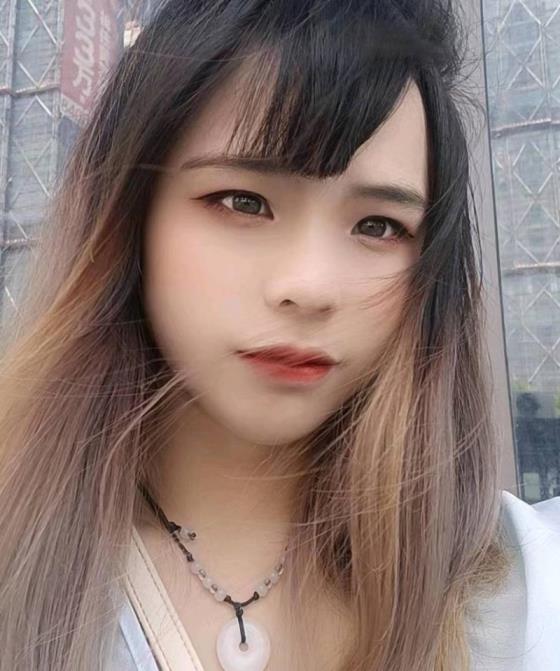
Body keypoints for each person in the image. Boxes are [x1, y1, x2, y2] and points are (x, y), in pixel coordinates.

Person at [0, 0, 558, 670]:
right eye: (244, 201)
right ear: (128, 216)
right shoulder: (23, 556)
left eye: (378, 226)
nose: (310, 285)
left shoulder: (523, 592)